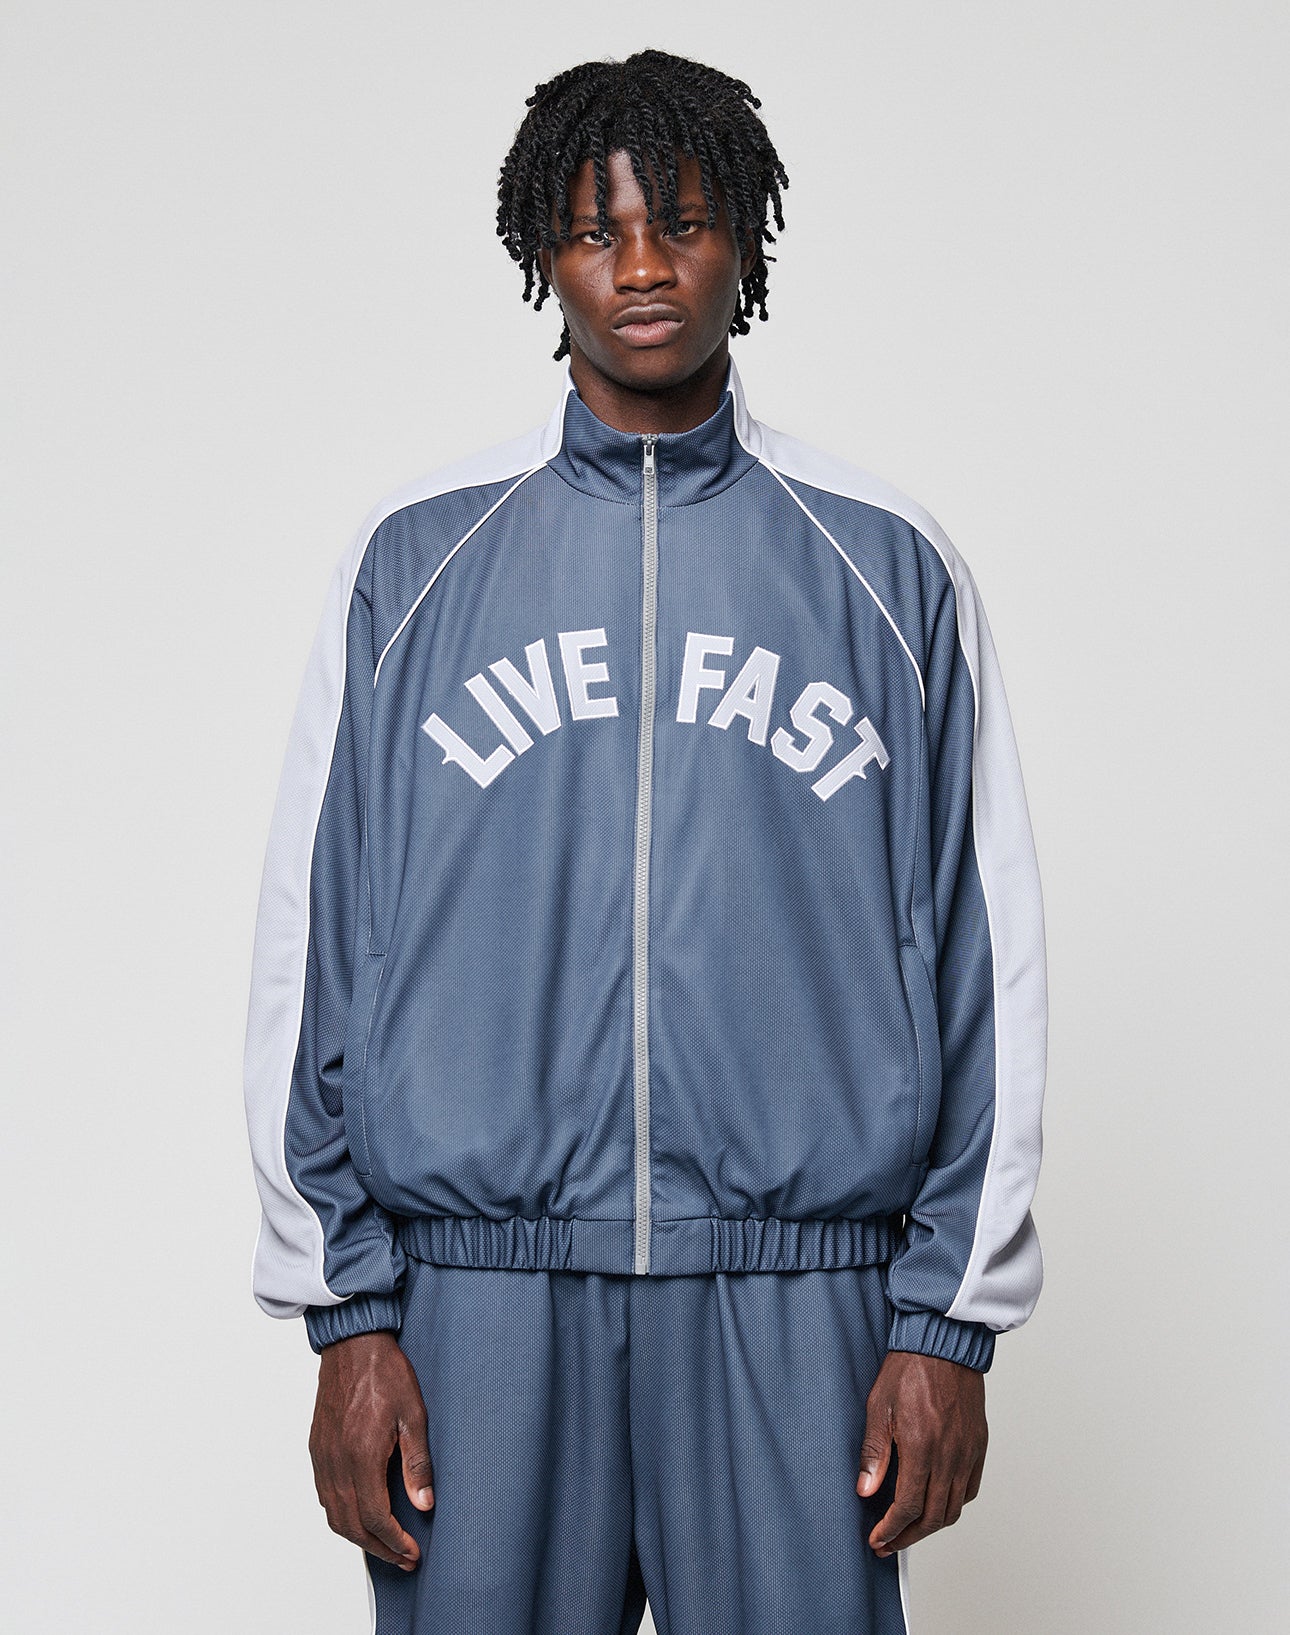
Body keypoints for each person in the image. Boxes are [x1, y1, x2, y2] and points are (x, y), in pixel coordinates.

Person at [242, 47, 1048, 1635]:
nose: (643, 269)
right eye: (599, 231)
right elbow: (311, 945)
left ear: (742, 242)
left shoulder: (884, 564)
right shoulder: (415, 562)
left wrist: (947, 1320)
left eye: (680, 224)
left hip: (795, 1295)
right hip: (478, 1305)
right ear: (543, 253)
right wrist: (345, 1314)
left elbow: (986, 959)